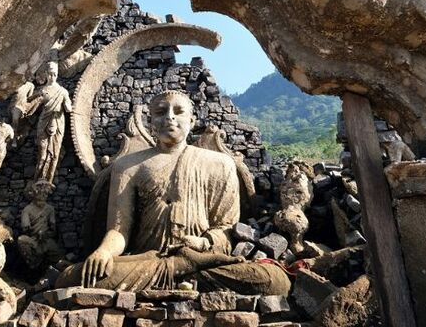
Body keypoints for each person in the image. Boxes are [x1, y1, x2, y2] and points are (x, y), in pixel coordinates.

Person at [56, 90, 290, 294]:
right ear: (151, 121)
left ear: (192, 120)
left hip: (201, 259)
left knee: (274, 279)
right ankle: (182, 275)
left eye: (178, 112)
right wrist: (104, 252)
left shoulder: (220, 164)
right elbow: (119, 230)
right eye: (160, 112)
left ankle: (183, 271)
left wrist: (203, 242)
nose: (170, 117)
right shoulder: (127, 166)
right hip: (149, 261)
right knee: (71, 277)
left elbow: (227, 229)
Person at [28, 61, 70, 185]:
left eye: (55, 74)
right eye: (50, 74)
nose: (52, 77)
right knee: (42, 153)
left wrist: (67, 105)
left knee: (55, 153)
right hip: (44, 121)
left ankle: (49, 180)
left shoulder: (63, 91)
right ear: (46, 74)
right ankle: (38, 179)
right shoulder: (42, 90)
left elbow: (68, 107)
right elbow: (31, 105)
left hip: (57, 122)